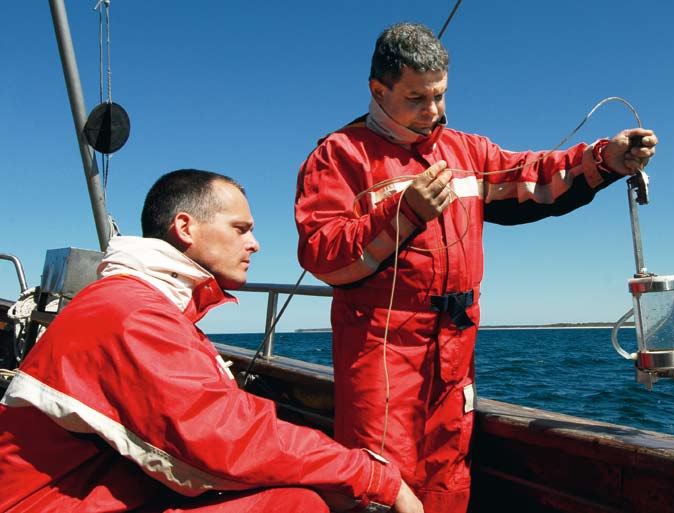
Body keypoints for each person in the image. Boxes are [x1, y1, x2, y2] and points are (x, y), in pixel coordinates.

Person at [294, 22, 658, 513]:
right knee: (380, 483)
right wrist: (404, 212)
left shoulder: (468, 151)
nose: (434, 110)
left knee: (449, 476)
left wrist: (607, 158)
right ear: (377, 90)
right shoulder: (337, 156)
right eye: (417, 98)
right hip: (381, 356)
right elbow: (323, 254)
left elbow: (535, 178)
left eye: (440, 95)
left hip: (455, 353)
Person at [0, 169, 423, 513]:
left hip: (99, 493)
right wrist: (377, 478)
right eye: (240, 229)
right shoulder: (131, 313)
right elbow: (227, 440)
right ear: (185, 227)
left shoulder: (144, 305)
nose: (254, 244)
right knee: (294, 506)